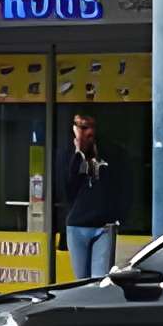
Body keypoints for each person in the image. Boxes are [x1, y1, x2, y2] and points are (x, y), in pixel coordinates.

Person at [59, 112, 122, 282]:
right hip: (77, 225)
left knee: (99, 280)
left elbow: (119, 184)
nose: (87, 132)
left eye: (90, 127)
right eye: (82, 127)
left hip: (103, 226)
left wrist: (117, 216)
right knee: (82, 282)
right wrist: (78, 153)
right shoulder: (68, 154)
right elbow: (67, 187)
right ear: (74, 130)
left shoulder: (110, 152)